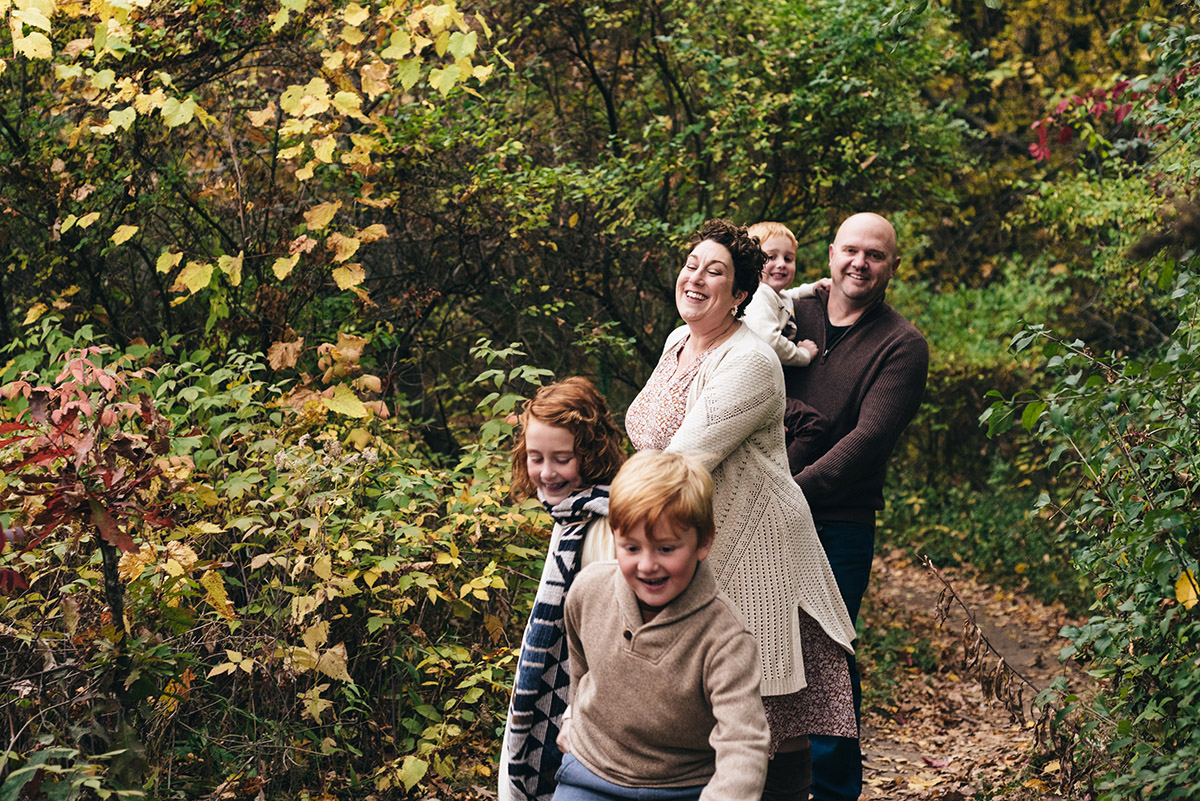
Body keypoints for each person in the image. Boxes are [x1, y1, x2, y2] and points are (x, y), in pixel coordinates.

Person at [625, 219, 857, 801]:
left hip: (759, 554)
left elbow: (682, 460)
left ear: (742, 294)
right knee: (700, 720)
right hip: (691, 542)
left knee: (763, 724)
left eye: (716, 271)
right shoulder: (676, 342)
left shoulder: (752, 360)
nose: (696, 278)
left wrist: (611, 517)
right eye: (691, 264)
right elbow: (646, 438)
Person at [780, 213, 929, 801]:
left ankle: (835, 790)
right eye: (850, 251)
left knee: (826, 655)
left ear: (892, 265)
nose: (859, 264)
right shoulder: (795, 312)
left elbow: (867, 441)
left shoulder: (902, 344)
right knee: (754, 646)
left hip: (834, 522)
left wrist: (788, 495)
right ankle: (773, 782)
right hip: (756, 511)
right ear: (832, 254)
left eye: (874, 255)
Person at [555, 450, 769, 801]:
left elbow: (743, 742)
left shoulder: (725, 638)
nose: (647, 565)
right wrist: (571, 717)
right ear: (614, 537)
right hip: (591, 772)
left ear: (703, 541)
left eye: (666, 548)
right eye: (631, 547)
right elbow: (581, 668)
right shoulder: (588, 591)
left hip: (684, 786)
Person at [500, 378, 627, 801]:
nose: (547, 472)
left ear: (590, 456)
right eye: (536, 457)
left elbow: (610, 633)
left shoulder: (604, 525)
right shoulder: (568, 514)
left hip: (586, 705)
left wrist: (580, 708)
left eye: (562, 458)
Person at [742, 221, 821, 368]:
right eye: (771, 257)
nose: (782, 264)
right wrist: (802, 354)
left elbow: (787, 295)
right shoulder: (759, 295)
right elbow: (769, 340)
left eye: (788, 258)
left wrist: (812, 288)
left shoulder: (771, 293)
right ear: (751, 262)